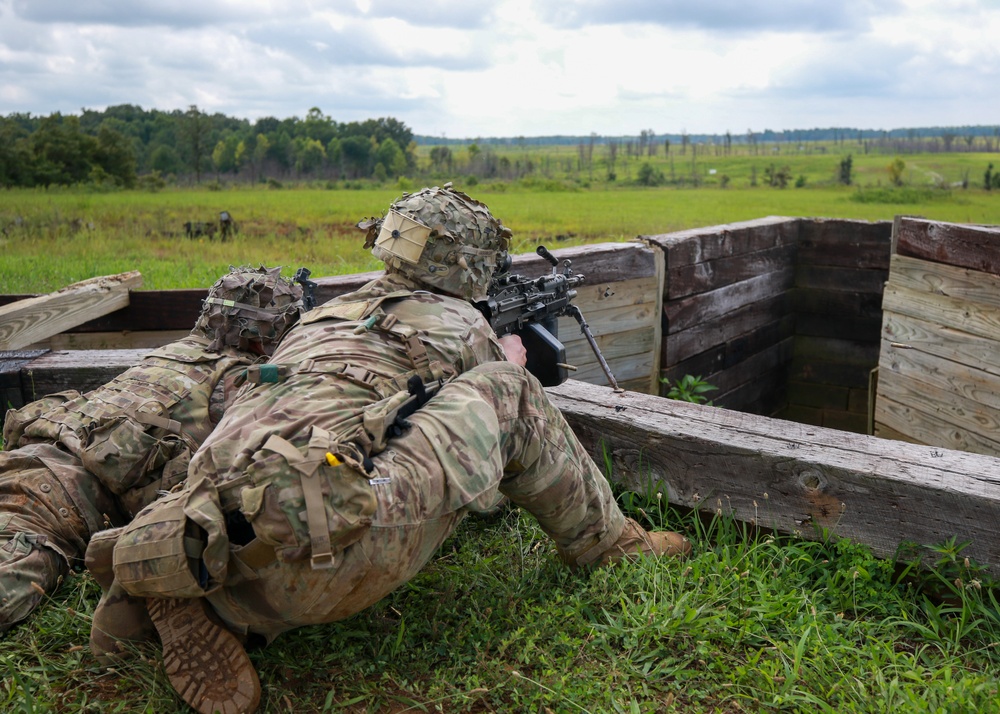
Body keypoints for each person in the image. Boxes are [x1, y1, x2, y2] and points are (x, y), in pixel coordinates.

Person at [95, 184, 691, 714]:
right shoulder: (462, 325)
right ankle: (612, 546)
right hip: (333, 554)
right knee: (510, 392)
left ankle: (193, 593)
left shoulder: (320, 318)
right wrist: (503, 361)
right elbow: (492, 422)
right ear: (471, 263)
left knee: (285, 441)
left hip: (208, 522)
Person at [0, 266, 303, 638]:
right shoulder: (239, 382)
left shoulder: (171, 353)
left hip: (27, 457)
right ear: (265, 338)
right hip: (54, 502)